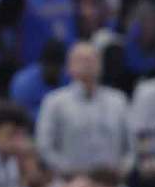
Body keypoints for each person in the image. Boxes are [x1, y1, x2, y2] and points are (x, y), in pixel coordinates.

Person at [35, 41, 133, 176]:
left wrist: (122, 170)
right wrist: (70, 172)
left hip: (112, 183)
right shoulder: (54, 102)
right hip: (69, 183)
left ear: (101, 65)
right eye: (81, 59)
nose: (87, 63)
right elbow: (44, 147)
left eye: (92, 59)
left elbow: (132, 146)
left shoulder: (118, 100)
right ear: (68, 67)